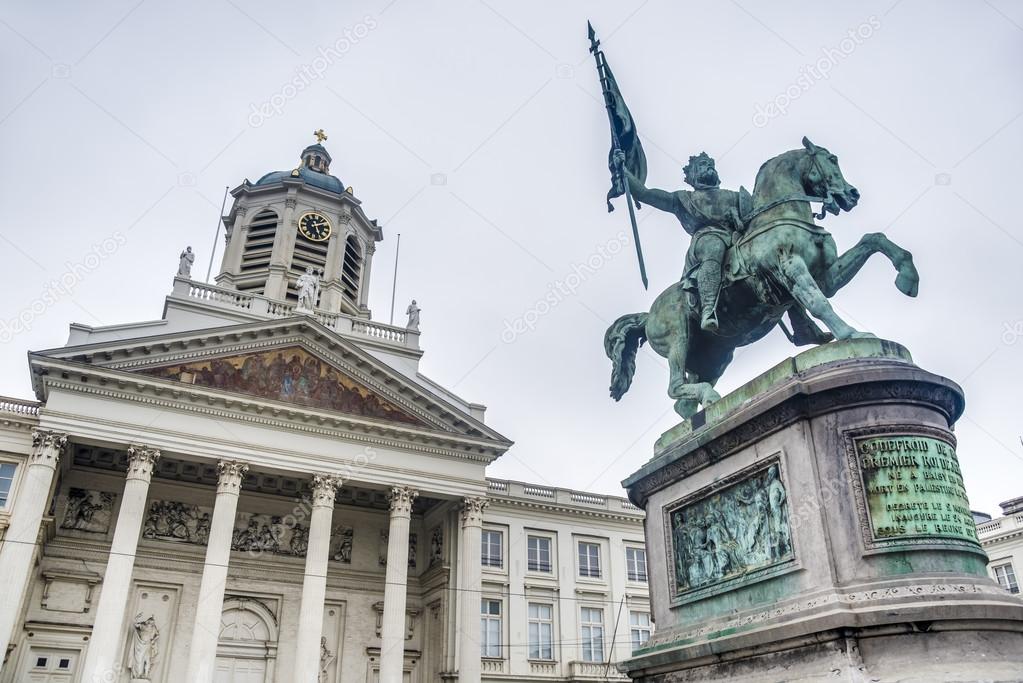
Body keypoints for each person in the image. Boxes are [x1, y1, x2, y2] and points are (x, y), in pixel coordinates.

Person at [618, 150, 740, 332]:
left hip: (736, 238)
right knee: (714, 247)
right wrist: (625, 172)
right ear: (691, 176)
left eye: (710, 164)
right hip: (706, 239)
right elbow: (645, 194)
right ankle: (708, 308)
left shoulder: (735, 196)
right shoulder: (683, 199)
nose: (708, 167)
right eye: (703, 165)